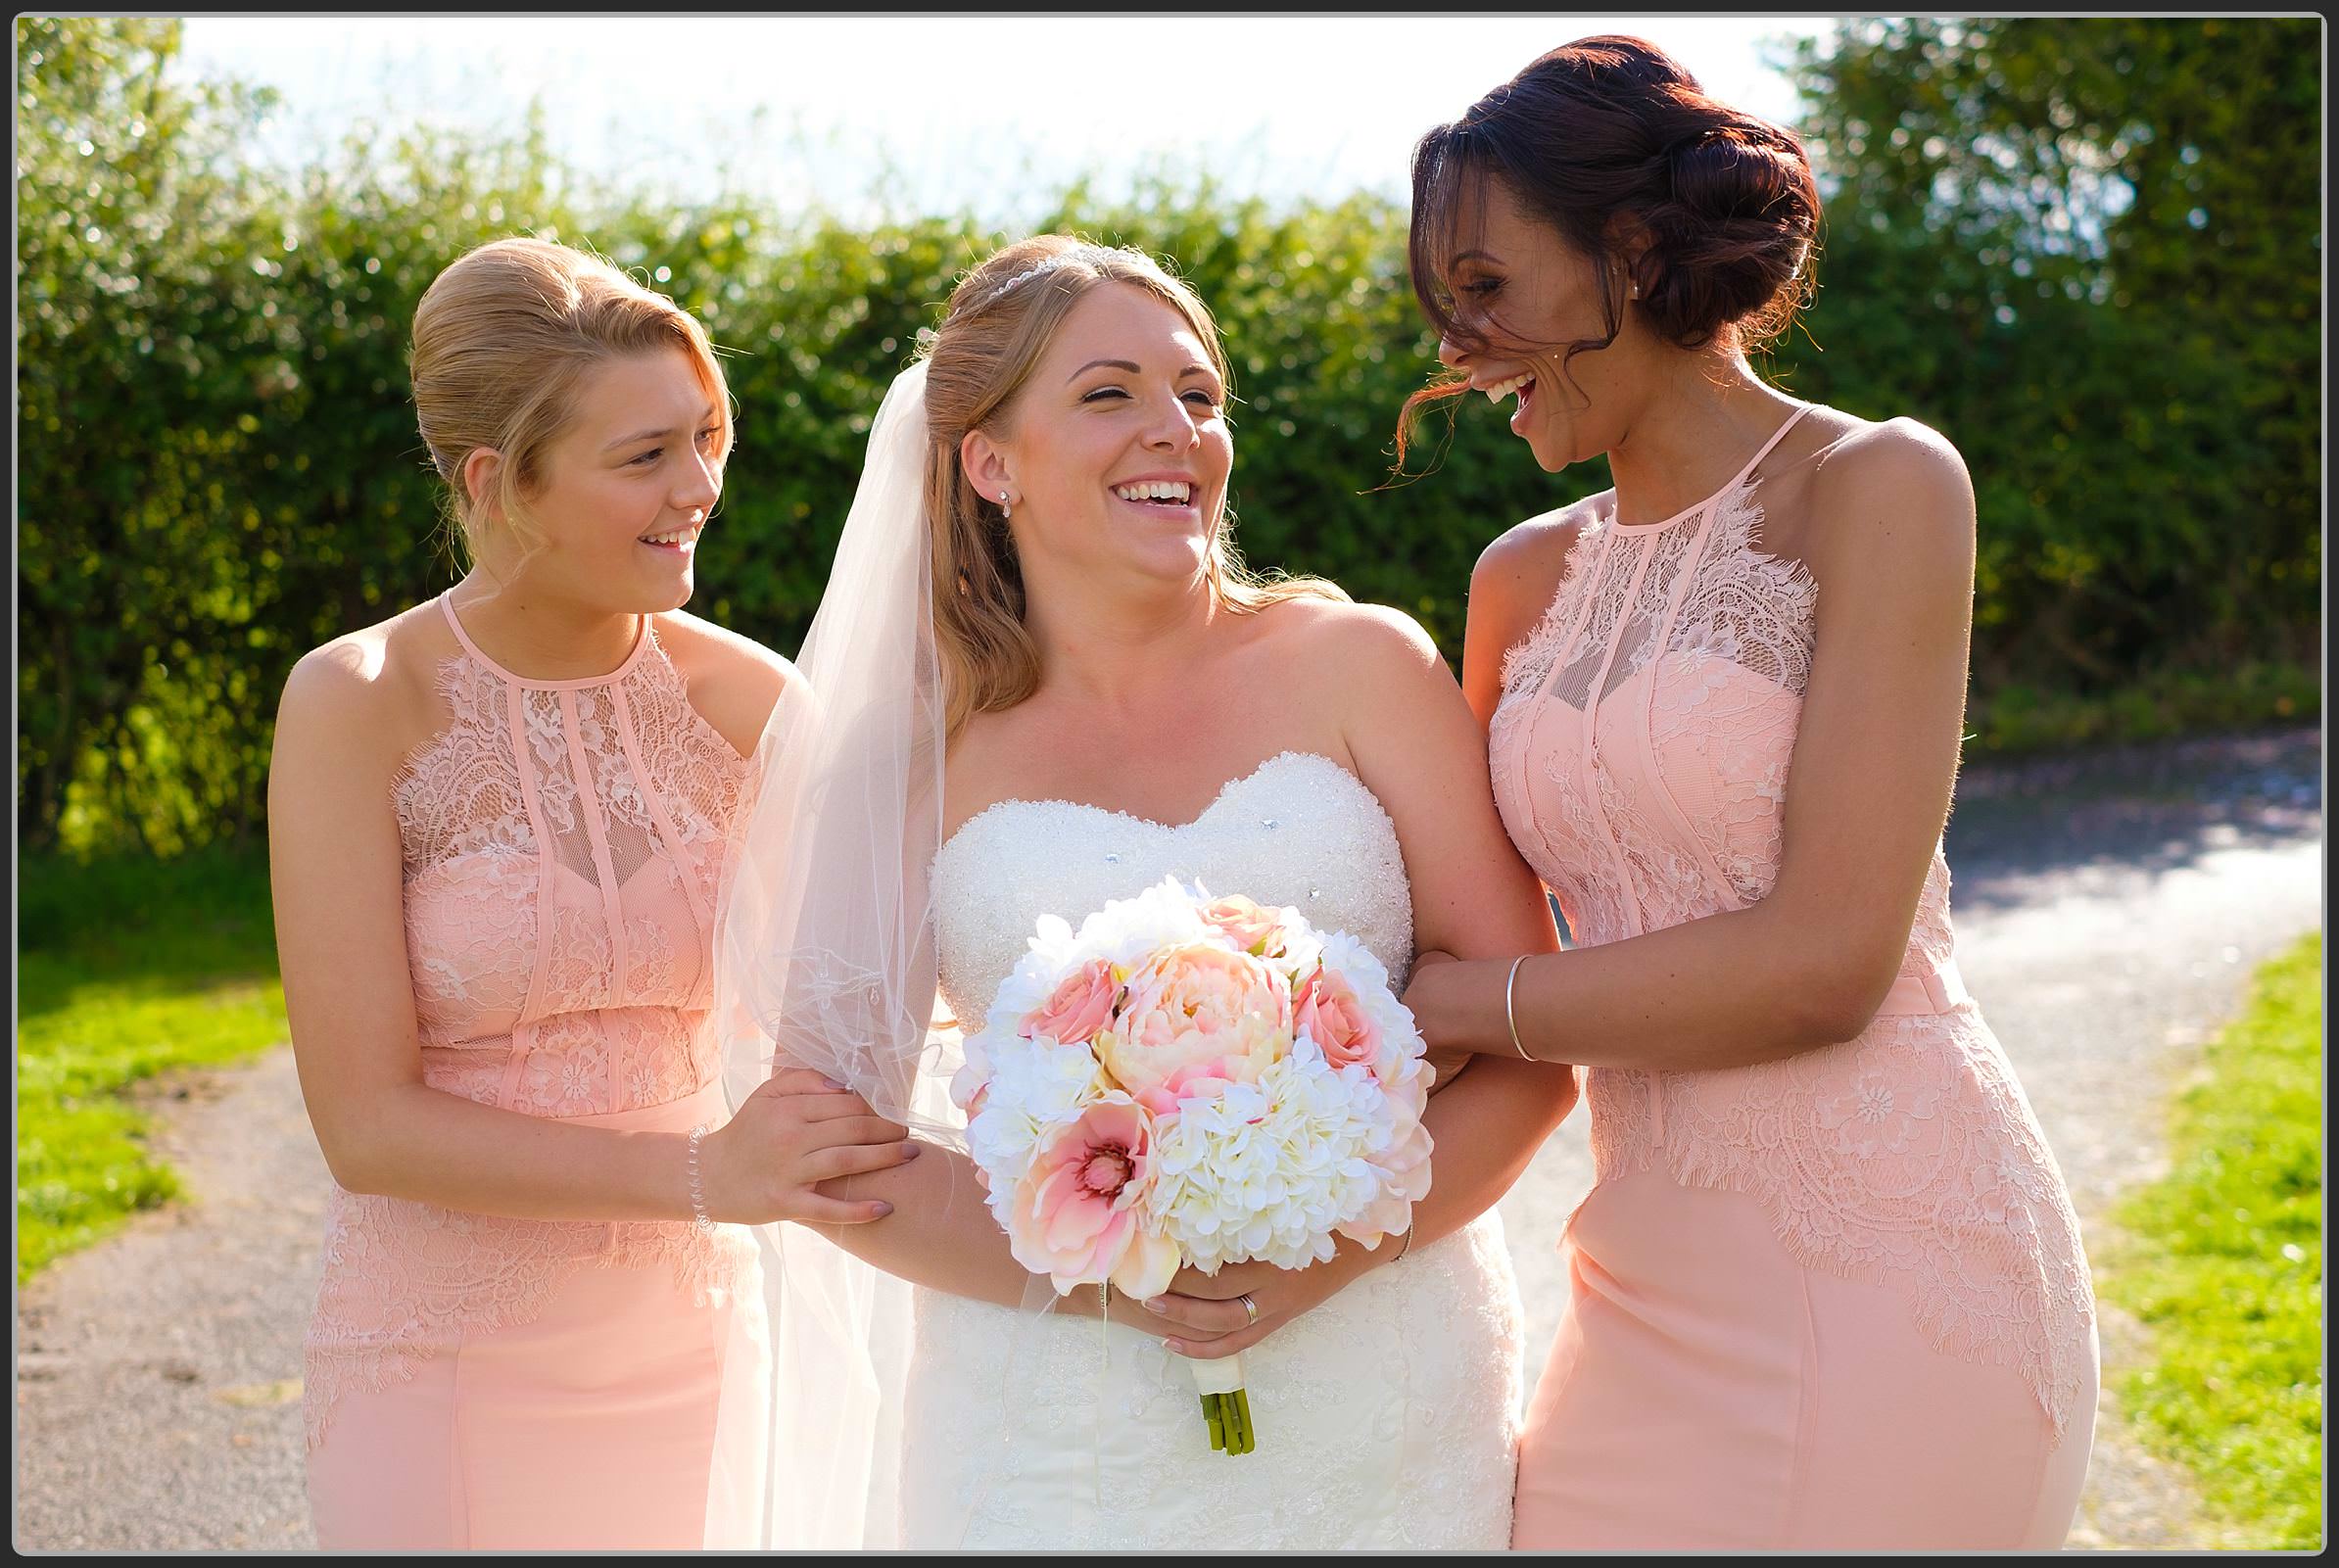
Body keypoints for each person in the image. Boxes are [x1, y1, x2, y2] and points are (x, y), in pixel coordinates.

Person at [713, 235, 1579, 1549]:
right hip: (1055, 1445)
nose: (1175, 428)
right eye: (1109, 392)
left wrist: (1330, 1253)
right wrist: (1117, 1270)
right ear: (988, 461)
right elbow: (832, 1150)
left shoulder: (1361, 666)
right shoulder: (910, 760)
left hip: (1385, 1397)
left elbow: (1529, 1052)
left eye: (1200, 395)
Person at [1391, 37, 2100, 1549]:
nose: (1458, 345)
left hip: (1899, 1283)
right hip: (1635, 1286)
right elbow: (1435, 914)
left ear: (1634, 254)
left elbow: (1827, 964)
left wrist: (1462, 1001)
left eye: (1487, 286)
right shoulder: (1515, 582)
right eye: (1446, 303)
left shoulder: (1885, 489)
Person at [266, 236, 915, 1549]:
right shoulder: (356, 703)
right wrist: (700, 1169)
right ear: (501, 482)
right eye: (645, 457)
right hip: (437, 1360)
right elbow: (366, 1124)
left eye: (704, 438)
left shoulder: (752, 703)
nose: (699, 490)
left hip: (698, 1357)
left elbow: (858, 1014)